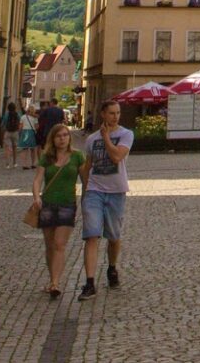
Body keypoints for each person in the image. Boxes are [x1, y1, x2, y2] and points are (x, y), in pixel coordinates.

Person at [79, 100, 133, 300]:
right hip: (95, 190)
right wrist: (85, 191)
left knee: (113, 236)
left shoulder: (126, 134)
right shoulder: (91, 139)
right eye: (111, 113)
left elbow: (117, 157)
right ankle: (90, 282)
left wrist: (106, 138)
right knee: (91, 235)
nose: (115, 117)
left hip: (116, 191)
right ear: (103, 114)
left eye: (118, 113)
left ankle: (111, 267)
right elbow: (88, 166)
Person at [34, 123, 86, 299]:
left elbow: (85, 180)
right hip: (47, 204)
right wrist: (36, 197)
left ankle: (56, 283)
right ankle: (52, 279)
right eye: (58, 136)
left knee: (59, 244)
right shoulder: (46, 157)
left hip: (67, 205)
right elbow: (38, 179)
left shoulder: (77, 156)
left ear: (69, 137)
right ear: (53, 139)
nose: (62, 139)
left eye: (65, 135)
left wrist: (86, 200)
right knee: (49, 245)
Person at [2, 101, 24, 169]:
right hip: (15, 132)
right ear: (15, 108)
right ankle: (14, 163)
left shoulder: (6, 115)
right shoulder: (18, 115)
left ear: (8, 108)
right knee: (15, 148)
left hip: (7, 132)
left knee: (7, 148)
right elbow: (20, 124)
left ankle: (7, 164)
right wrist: (19, 131)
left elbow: (2, 124)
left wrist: (4, 130)